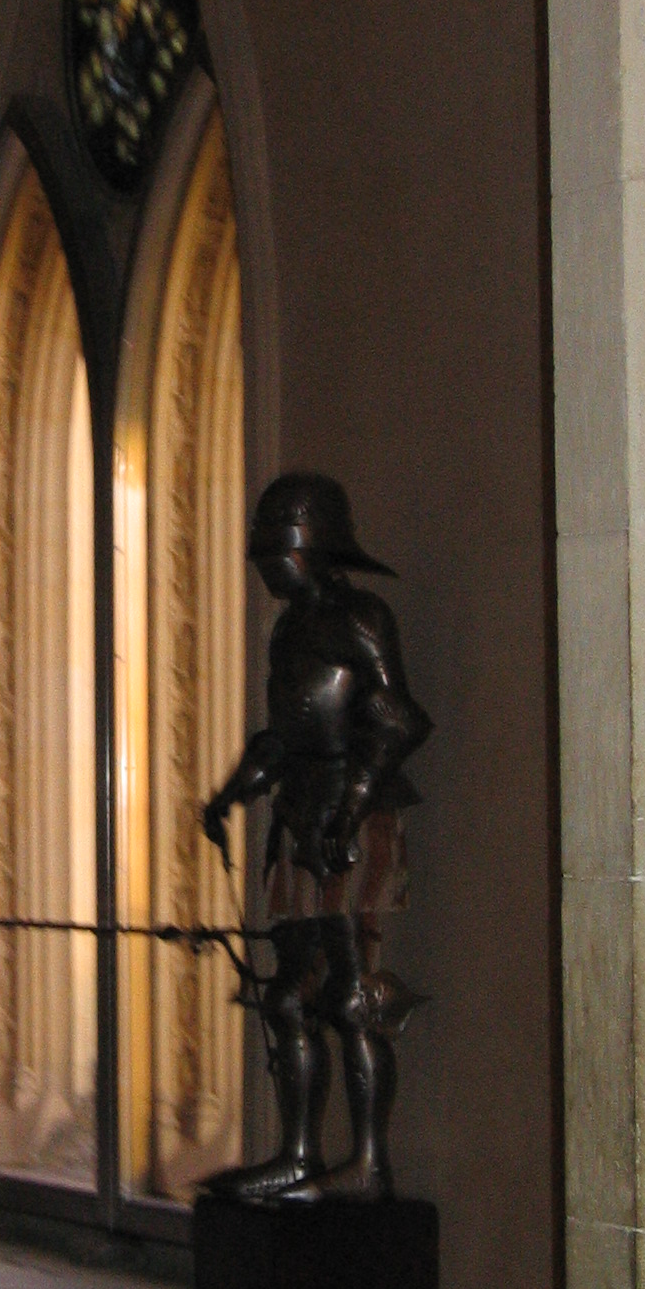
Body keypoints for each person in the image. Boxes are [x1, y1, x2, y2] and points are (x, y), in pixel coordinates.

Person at [201, 473, 430, 1200]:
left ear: (310, 546)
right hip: (301, 812)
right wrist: (232, 794)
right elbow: (286, 735)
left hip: (350, 819)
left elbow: (397, 719)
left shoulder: (361, 618)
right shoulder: (289, 629)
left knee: (353, 997)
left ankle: (369, 1163)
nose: (268, 567)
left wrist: (354, 800)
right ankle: (298, 1153)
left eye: (278, 552)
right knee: (289, 998)